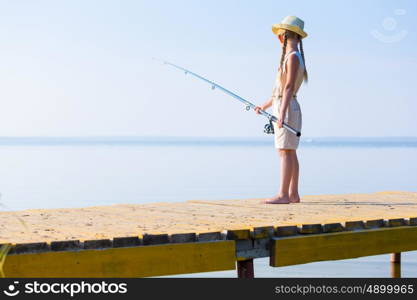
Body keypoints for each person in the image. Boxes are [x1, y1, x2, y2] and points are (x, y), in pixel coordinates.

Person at [255, 16, 308, 204]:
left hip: (287, 106)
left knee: (285, 151)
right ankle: (293, 194)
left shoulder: (292, 57)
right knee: (289, 150)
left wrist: (282, 112)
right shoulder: (292, 56)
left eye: (279, 35)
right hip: (284, 104)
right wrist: (264, 106)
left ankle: (284, 194)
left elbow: (288, 88)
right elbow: (279, 91)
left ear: (283, 37)